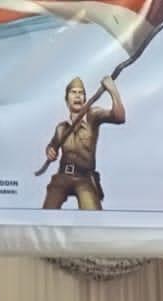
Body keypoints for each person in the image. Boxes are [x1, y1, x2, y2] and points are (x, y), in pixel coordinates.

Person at [42, 74, 125, 210]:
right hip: (62, 176)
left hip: (84, 178)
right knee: (46, 213)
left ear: (85, 99)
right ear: (67, 100)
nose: (77, 96)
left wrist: (112, 90)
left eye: (81, 93)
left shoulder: (93, 116)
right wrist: (49, 151)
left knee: (92, 216)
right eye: (73, 92)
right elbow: (52, 145)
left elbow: (120, 117)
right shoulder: (61, 128)